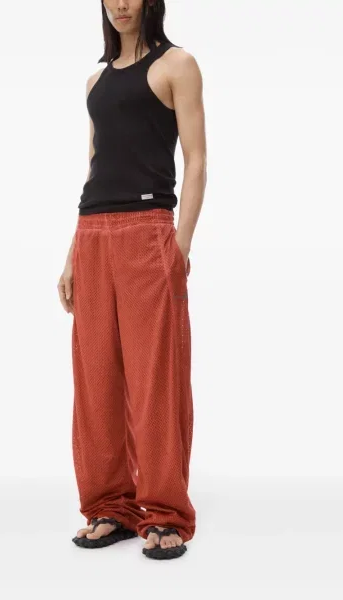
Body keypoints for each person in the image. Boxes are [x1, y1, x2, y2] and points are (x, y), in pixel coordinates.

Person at [58, 0, 206, 560]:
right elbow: (96, 167)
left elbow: (196, 160)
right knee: (95, 379)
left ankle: (165, 512)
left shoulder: (177, 65)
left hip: (149, 230)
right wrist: (73, 253)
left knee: (154, 380)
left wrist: (179, 245)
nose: (120, 3)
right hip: (93, 234)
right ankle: (110, 506)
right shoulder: (96, 81)